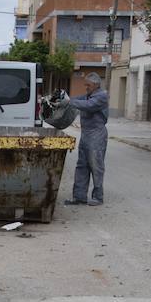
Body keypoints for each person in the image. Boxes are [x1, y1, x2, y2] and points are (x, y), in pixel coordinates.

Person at [64, 73, 109, 207]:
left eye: (88, 85)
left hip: (97, 134)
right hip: (86, 134)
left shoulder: (101, 96)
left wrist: (69, 102)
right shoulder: (89, 95)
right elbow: (78, 100)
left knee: (96, 166)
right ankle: (79, 197)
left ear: (95, 85)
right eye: (86, 84)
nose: (86, 87)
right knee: (82, 165)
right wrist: (64, 99)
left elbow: (88, 105)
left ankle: (98, 197)